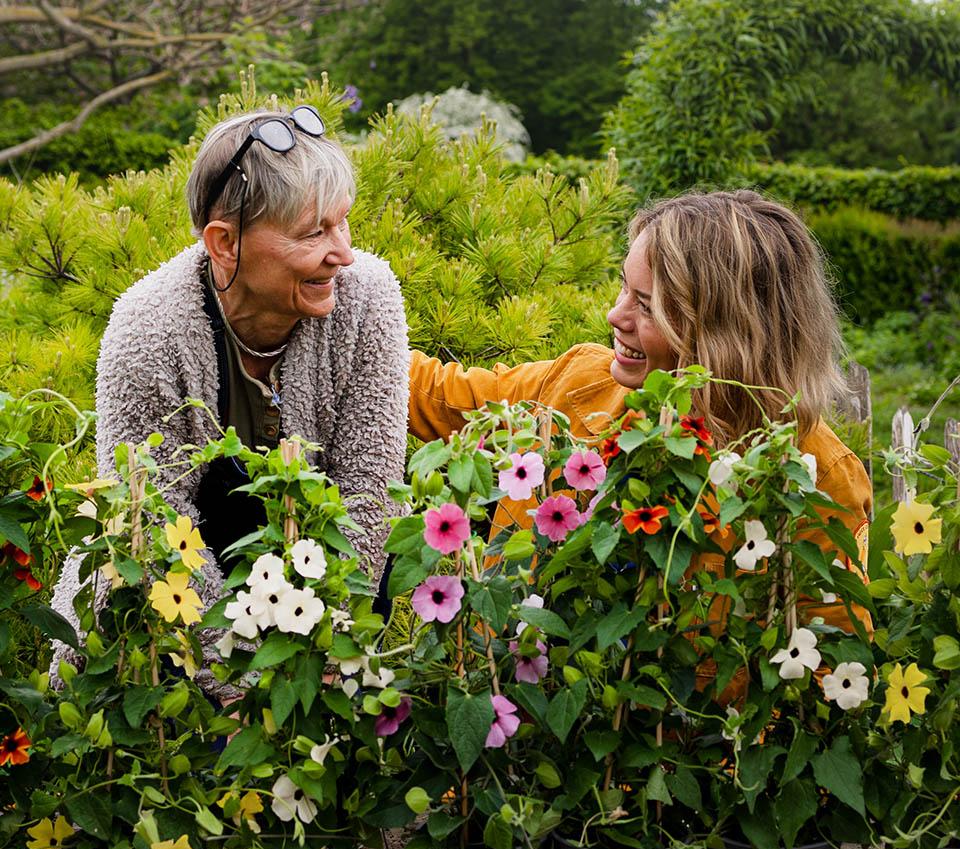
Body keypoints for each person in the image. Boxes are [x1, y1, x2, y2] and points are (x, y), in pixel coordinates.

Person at [50, 107, 410, 693]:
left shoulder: (368, 298)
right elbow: (154, 525)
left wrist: (327, 653)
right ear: (224, 242)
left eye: (344, 223)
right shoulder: (148, 331)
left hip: (314, 577)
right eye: (313, 232)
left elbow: (368, 492)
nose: (343, 252)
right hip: (175, 605)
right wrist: (246, 680)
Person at [407, 190, 872, 634]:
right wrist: (348, 285)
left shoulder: (816, 477)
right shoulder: (579, 383)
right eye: (624, 289)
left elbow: (825, 672)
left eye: (646, 306)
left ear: (726, 334)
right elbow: (436, 396)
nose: (615, 315)